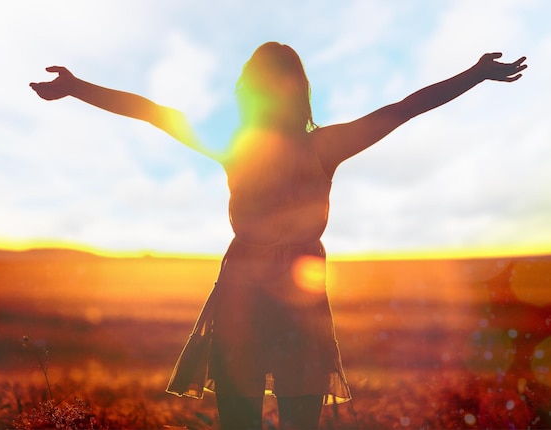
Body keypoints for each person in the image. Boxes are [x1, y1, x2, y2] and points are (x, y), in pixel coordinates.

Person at [30, 42, 526, 430]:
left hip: (291, 302)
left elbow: (404, 108)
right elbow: (152, 111)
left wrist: (474, 75)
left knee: (292, 419)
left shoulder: (307, 145)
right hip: (248, 299)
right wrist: (77, 87)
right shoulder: (252, 145)